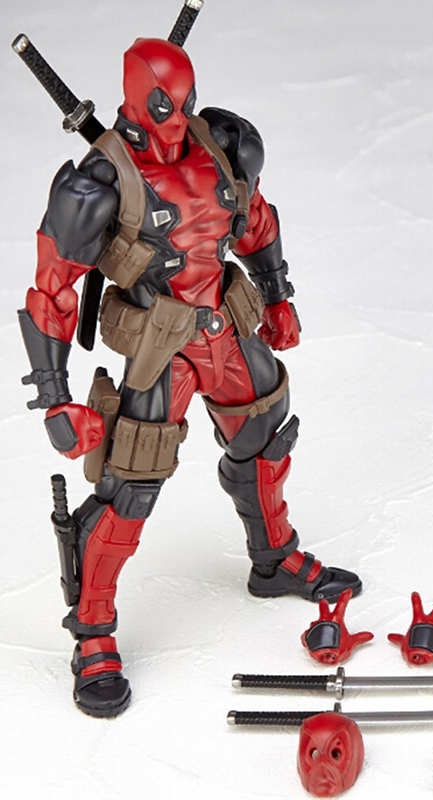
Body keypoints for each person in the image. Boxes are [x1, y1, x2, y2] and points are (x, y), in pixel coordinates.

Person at [19, 37, 361, 718]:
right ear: (134, 101)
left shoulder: (222, 146)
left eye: (185, 104)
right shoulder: (98, 184)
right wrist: (56, 399)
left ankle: (273, 558)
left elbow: (254, 220)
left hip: (226, 327)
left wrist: (278, 295)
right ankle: (93, 632)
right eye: (162, 107)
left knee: (266, 433)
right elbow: (52, 290)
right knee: (130, 487)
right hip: (162, 344)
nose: (177, 121)